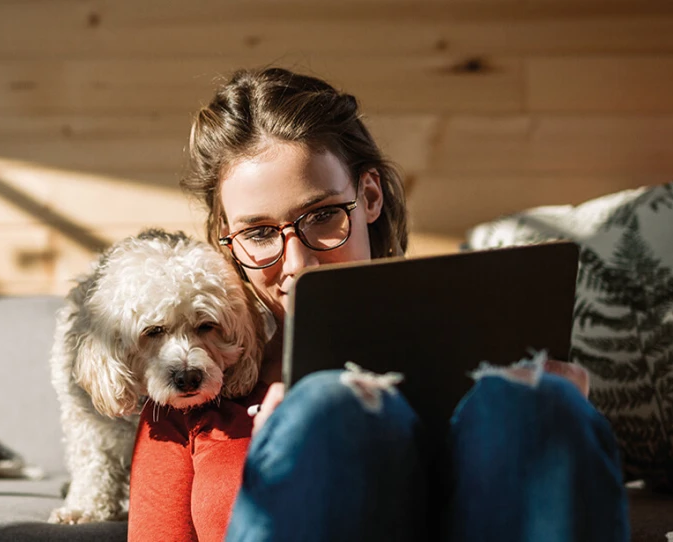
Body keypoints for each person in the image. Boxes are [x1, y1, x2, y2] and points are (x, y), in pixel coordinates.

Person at [126, 67, 630, 542]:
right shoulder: (188, 396)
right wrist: (290, 449)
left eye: (322, 216)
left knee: (537, 402)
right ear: (227, 241)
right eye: (259, 232)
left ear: (369, 196)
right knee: (330, 407)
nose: (299, 262)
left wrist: (561, 419)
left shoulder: (490, 380)